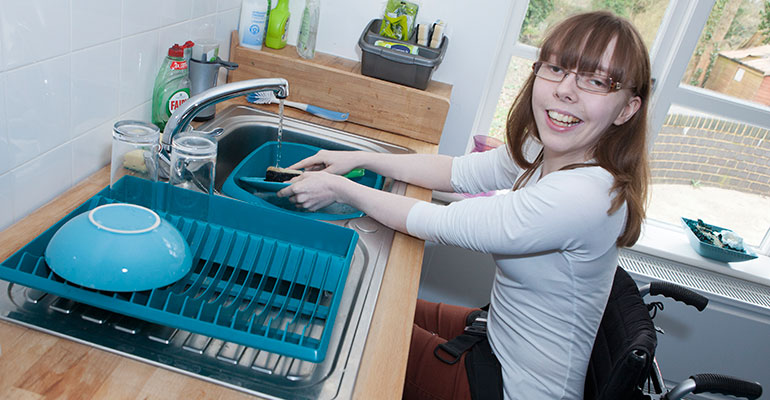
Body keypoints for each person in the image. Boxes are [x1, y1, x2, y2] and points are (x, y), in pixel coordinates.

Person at [277, 10, 651, 400]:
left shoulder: (586, 195)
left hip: (510, 388)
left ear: (627, 109)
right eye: (556, 69)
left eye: (595, 81)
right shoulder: (548, 150)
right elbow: (457, 172)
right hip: (497, 337)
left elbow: (442, 223)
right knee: (364, 298)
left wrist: (342, 189)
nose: (566, 90)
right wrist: (361, 158)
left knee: (349, 326)